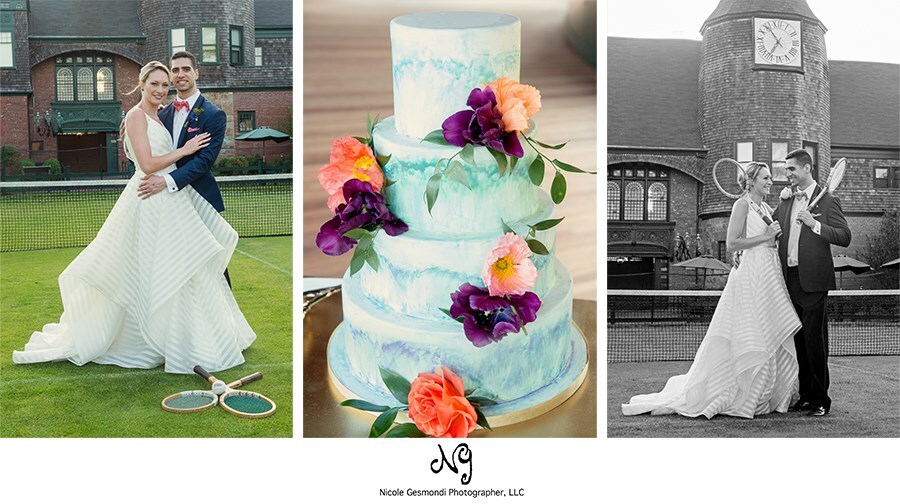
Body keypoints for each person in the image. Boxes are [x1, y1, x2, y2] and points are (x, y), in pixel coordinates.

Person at [12, 61, 256, 373]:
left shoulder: (172, 113)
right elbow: (147, 162)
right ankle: (149, 334)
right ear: (141, 85)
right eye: (155, 83)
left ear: (194, 74)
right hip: (150, 197)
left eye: (164, 85)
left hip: (176, 197)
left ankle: (192, 335)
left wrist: (163, 166)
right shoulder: (139, 114)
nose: (160, 89)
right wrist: (184, 150)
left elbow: (182, 158)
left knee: (188, 266)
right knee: (149, 266)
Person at [622, 163, 802, 418]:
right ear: (751, 181)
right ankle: (739, 392)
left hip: (769, 272)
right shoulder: (742, 205)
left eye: (771, 177)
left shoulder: (764, 207)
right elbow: (732, 243)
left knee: (768, 329)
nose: (770, 181)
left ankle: (765, 393)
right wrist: (765, 237)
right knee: (750, 329)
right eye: (765, 177)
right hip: (751, 274)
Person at [774, 149, 851, 417]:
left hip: (814, 283)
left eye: (792, 169)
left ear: (807, 168)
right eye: (786, 169)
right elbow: (769, 227)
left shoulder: (828, 201)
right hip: (789, 281)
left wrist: (814, 225)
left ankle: (821, 399)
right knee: (799, 343)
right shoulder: (786, 200)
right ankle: (806, 395)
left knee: (815, 342)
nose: (788, 174)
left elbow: (844, 236)